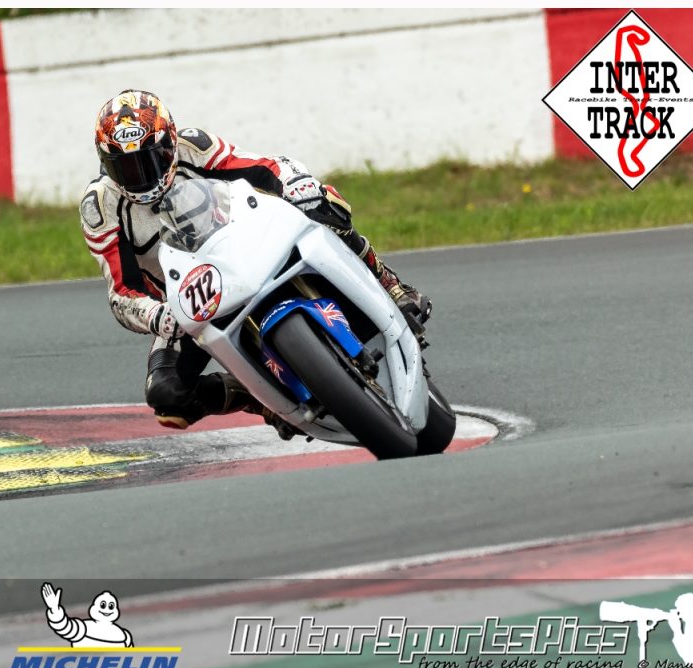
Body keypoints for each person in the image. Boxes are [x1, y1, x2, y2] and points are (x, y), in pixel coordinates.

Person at [80, 89, 431, 434]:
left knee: (324, 204)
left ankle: (390, 284)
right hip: (191, 302)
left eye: (149, 160)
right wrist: (158, 317)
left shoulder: (194, 146)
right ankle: (261, 398)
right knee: (167, 396)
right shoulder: (100, 207)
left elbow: (265, 167)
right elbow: (122, 292)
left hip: (246, 246)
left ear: (170, 145)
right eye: (124, 167)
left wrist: (295, 183)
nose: (140, 176)